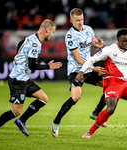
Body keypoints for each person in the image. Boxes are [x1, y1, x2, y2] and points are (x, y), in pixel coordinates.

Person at [0, 19, 62, 142]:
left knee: (43, 98)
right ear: (47, 30)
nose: (52, 35)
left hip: (24, 79)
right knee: (15, 111)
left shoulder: (30, 38)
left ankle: (21, 121)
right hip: (18, 80)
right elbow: (32, 65)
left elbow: (20, 43)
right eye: (52, 32)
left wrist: (19, 58)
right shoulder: (35, 44)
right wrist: (48, 67)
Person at [51, 8, 107, 138]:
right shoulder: (70, 36)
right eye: (77, 20)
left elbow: (94, 44)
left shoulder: (88, 29)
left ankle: (95, 113)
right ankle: (56, 121)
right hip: (76, 70)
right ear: (71, 21)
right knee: (75, 97)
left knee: (109, 85)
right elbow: (77, 58)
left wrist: (98, 45)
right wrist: (93, 68)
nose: (80, 22)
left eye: (81, 19)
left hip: (89, 68)